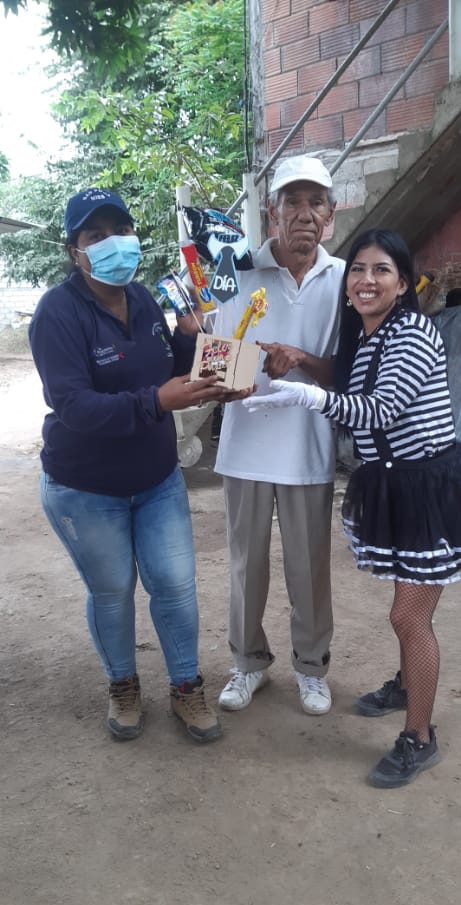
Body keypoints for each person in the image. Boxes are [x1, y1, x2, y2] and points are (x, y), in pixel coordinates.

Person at [29, 186, 249, 744]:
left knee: (174, 584)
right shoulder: (57, 312)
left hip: (156, 478)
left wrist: (193, 343)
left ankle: (186, 687)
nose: (114, 243)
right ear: (75, 250)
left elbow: (171, 372)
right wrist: (155, 401)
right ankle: (122, 685)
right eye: (96, 235)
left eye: (120, 231)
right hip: (85, 486)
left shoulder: (146, 299)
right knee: (113, 590)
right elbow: (73, 404)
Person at [244, 228, 461, 787]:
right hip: (393, 482)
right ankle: (409, 686)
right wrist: (299, 366)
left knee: (408, 617)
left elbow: (379, 409)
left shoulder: (412, 332)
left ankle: (420, 738)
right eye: (358, 270)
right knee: (407, 610)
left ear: (403, 282)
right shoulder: (366, 336)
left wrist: (306, 395)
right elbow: (349, 389)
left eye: (381, 270)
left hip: (427, 488)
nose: (366, 280)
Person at [214, 155, 345, 715]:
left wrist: (301, 358)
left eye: (316, 203)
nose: (304, 214)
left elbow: (349, 373)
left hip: (308, 449)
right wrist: (228, 384)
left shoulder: (345, 280)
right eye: (293, 202)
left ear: (331, 214)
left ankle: (311, 669)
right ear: (273, 211)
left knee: (309, 568)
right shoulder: (238, 271)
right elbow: (217, 362)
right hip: (245, 446)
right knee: (246, 566)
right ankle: (248, 663)